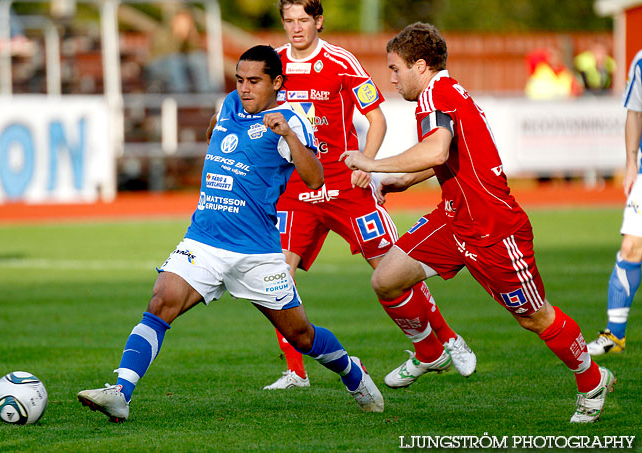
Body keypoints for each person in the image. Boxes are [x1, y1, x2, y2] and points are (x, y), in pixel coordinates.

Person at [77, 45, 384, 422]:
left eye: (254, 81)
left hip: (256, 251)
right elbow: (217, 131)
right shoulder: (228, 104)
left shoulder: (291, 118)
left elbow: (315, 176)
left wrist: (288, 136)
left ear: (277, 82)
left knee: (301, 336)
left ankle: (352, 373)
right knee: (161, 301)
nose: (245, 88)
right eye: (240, 80)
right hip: (205, 239)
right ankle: (121, 393)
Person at [341, 22, 615, 423]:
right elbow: (448, 158)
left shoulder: (439, 92)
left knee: (534, 317)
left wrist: (372, 163)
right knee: (386, 278)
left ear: (420, 65)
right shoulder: (442, 94)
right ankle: (430, 353)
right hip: (453, 220)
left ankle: (592, 380)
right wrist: (400, 180)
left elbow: (436, 150)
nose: (392, 78)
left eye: (395, 68)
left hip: (493, 228)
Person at [260, 0, 476, 391]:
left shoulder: (341, 61)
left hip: (347, 185)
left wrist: (367, 164)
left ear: (318, 21)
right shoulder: (271, 64)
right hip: (294, 188)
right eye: (288, 20)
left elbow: (376, 117)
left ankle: (446, 339)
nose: (295, 28)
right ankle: (295, 371)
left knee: (392, 266)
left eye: (303, 20)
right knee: (275, 277)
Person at [587, 49, 642, 356]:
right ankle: (615, 336)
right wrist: (631, 161)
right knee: (631, 248)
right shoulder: (641, 61)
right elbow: (635, 112)